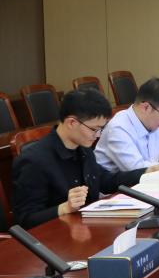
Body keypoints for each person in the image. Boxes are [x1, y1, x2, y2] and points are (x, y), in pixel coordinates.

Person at [12, 89, 150, 229]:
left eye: (101, 129)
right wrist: (64, 208)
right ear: (72, 123)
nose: (98, 135)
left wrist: (147, 172)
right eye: (94, 129)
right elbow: (25, 220)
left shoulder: (83, 149)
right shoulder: (33, 161)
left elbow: (107, 180)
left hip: (86, 228)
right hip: (55, 235)